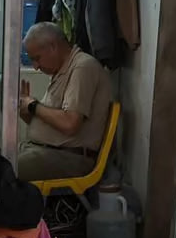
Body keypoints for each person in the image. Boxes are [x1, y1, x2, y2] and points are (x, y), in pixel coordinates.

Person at [16, 22, 112, 180]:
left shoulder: (82, 67)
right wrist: (25, 110)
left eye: (37, 58)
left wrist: (33, 105)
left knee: (3, 170)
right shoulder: (61, 70)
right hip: (44, 150)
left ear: (53, 46)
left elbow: (70, 124)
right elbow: (51, 121)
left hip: (68, 157)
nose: (35, 67)